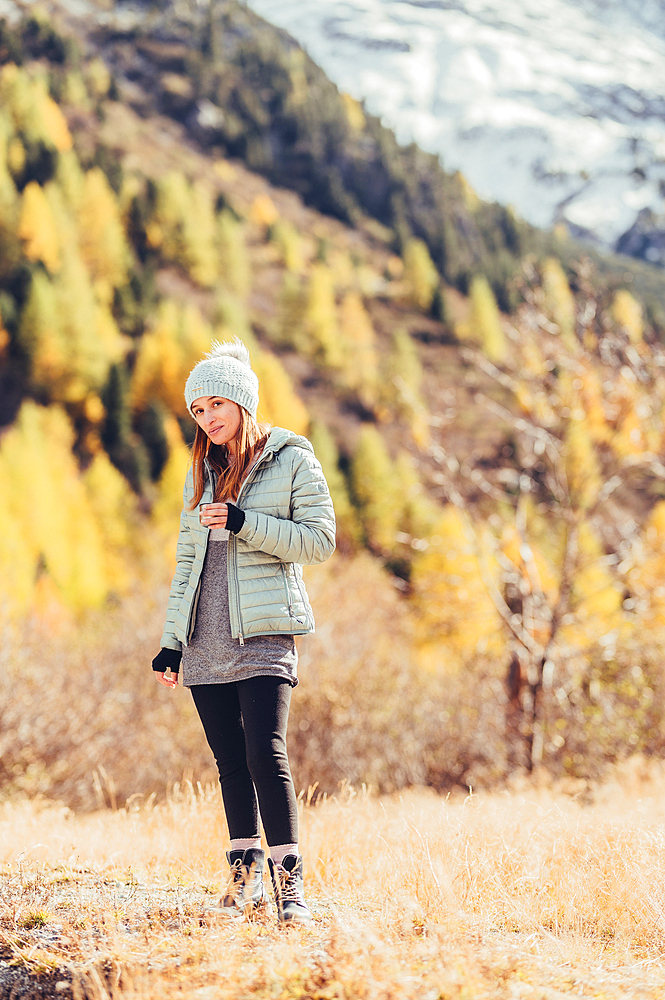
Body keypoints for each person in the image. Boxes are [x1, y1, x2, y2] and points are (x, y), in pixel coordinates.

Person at [151, 339, 336, 924]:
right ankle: (242, 882)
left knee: (266, 754)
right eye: (197, 411)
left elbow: (319, 541)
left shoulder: (291, 458)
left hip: (262, 629)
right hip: (204, 635)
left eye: (215, 405)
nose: (207, 419)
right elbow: (187, 563)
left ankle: (290, 892)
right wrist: (171, 638)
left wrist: (243, 522)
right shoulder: (198, 475)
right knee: (229, 760)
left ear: (241, 400)